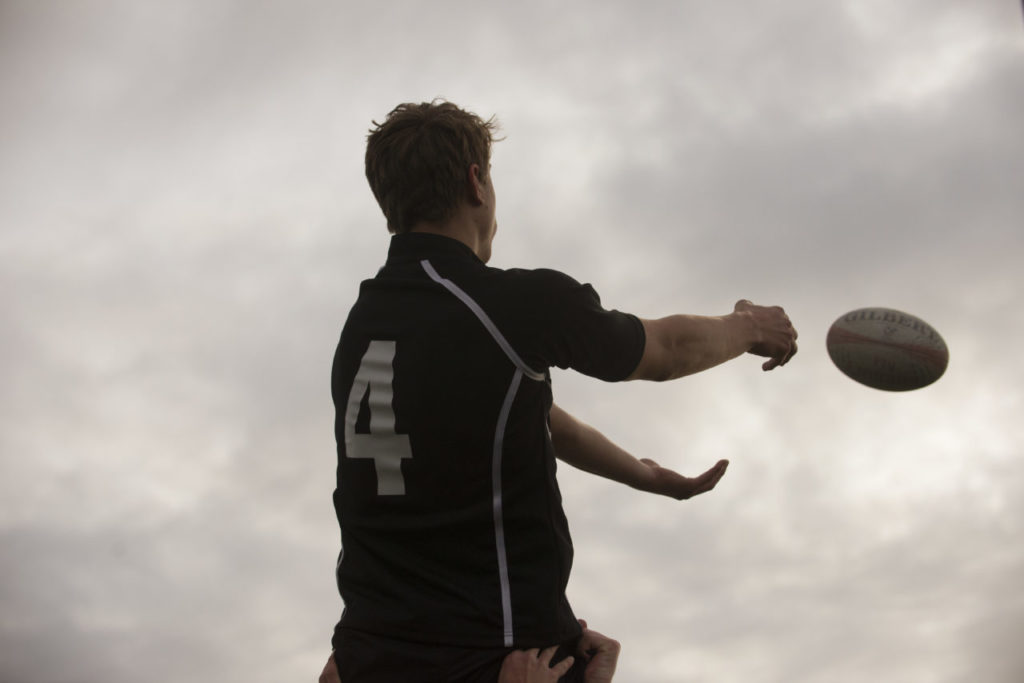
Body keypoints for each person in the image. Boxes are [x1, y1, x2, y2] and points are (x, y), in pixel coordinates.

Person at [324, 100, 797, 682]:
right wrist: (748, 326)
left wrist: (644, 476)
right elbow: (665, 351)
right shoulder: (508, 304)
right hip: (495, 656)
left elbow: (528, 411)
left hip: (374, 655)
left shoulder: (366, 321)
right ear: (477, 182)